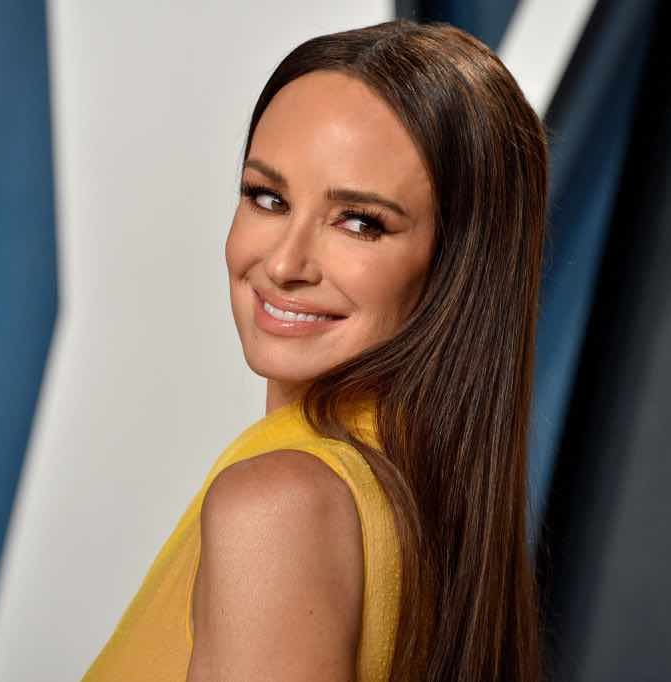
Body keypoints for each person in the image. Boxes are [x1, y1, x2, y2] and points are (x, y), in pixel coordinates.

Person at [83, 17, 548, 682]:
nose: (284, 263)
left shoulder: (280, 504)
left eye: (360, 222)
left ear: (458, 267)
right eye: (266, 197)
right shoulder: (423, 507)